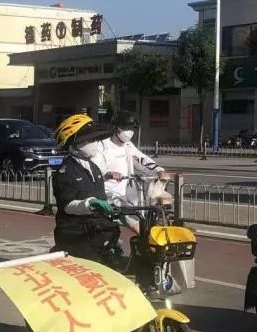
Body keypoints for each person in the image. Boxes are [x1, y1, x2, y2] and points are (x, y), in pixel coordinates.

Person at [51, 113, 122, 266]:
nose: (95, 143)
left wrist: (111, 205)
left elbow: (100, 195)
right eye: (90, 140)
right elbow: (68, 206)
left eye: (96, 140)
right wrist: (91, 203)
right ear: (75, 144)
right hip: (77, 235)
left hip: (98, 231)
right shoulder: (66, 171)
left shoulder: (94, 167)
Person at [93, 111, 169, 217]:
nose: (130, 132)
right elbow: (96, 169)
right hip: (109, 194)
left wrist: (158, 170)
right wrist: (109, 173)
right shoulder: (102, 146)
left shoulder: (128, 145)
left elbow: (141, 159)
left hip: (127, 194)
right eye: (126, 128)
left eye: (132, 129)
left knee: (150, 212)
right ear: (115, 128)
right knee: (133, 221)